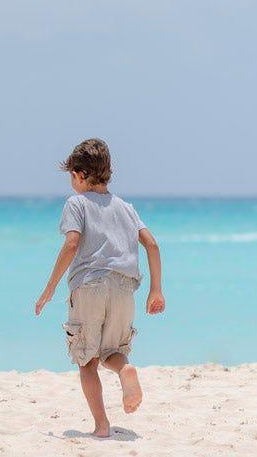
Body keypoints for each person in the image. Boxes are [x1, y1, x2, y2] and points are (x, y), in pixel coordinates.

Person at [34, 138, 165, 438]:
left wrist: (50, 287)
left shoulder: (76, 203)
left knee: (87, 361)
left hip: (89, 286)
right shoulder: (125, 208)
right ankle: (124, 371)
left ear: (79, 175)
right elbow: (152, 244)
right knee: (113, 351)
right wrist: (155, 290)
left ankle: (102, 426)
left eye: (71, 176)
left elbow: (71, 243)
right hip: (124, 289)